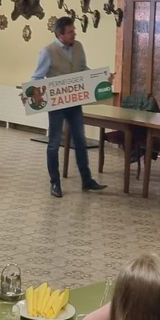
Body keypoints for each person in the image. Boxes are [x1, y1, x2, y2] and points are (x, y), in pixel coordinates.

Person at [31, 15, 106, 198]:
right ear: (59, 34)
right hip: (57, 104)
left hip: (74, 103)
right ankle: (55, 183)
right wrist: (38, 95)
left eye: (74, 30)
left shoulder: (79, 47)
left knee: (80, 140)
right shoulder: (47, 52)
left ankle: (87, 180)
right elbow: (37, 78)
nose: (74, 34)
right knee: (54, 143)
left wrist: (100, 78)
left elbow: (83, 69)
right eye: (71, 32)